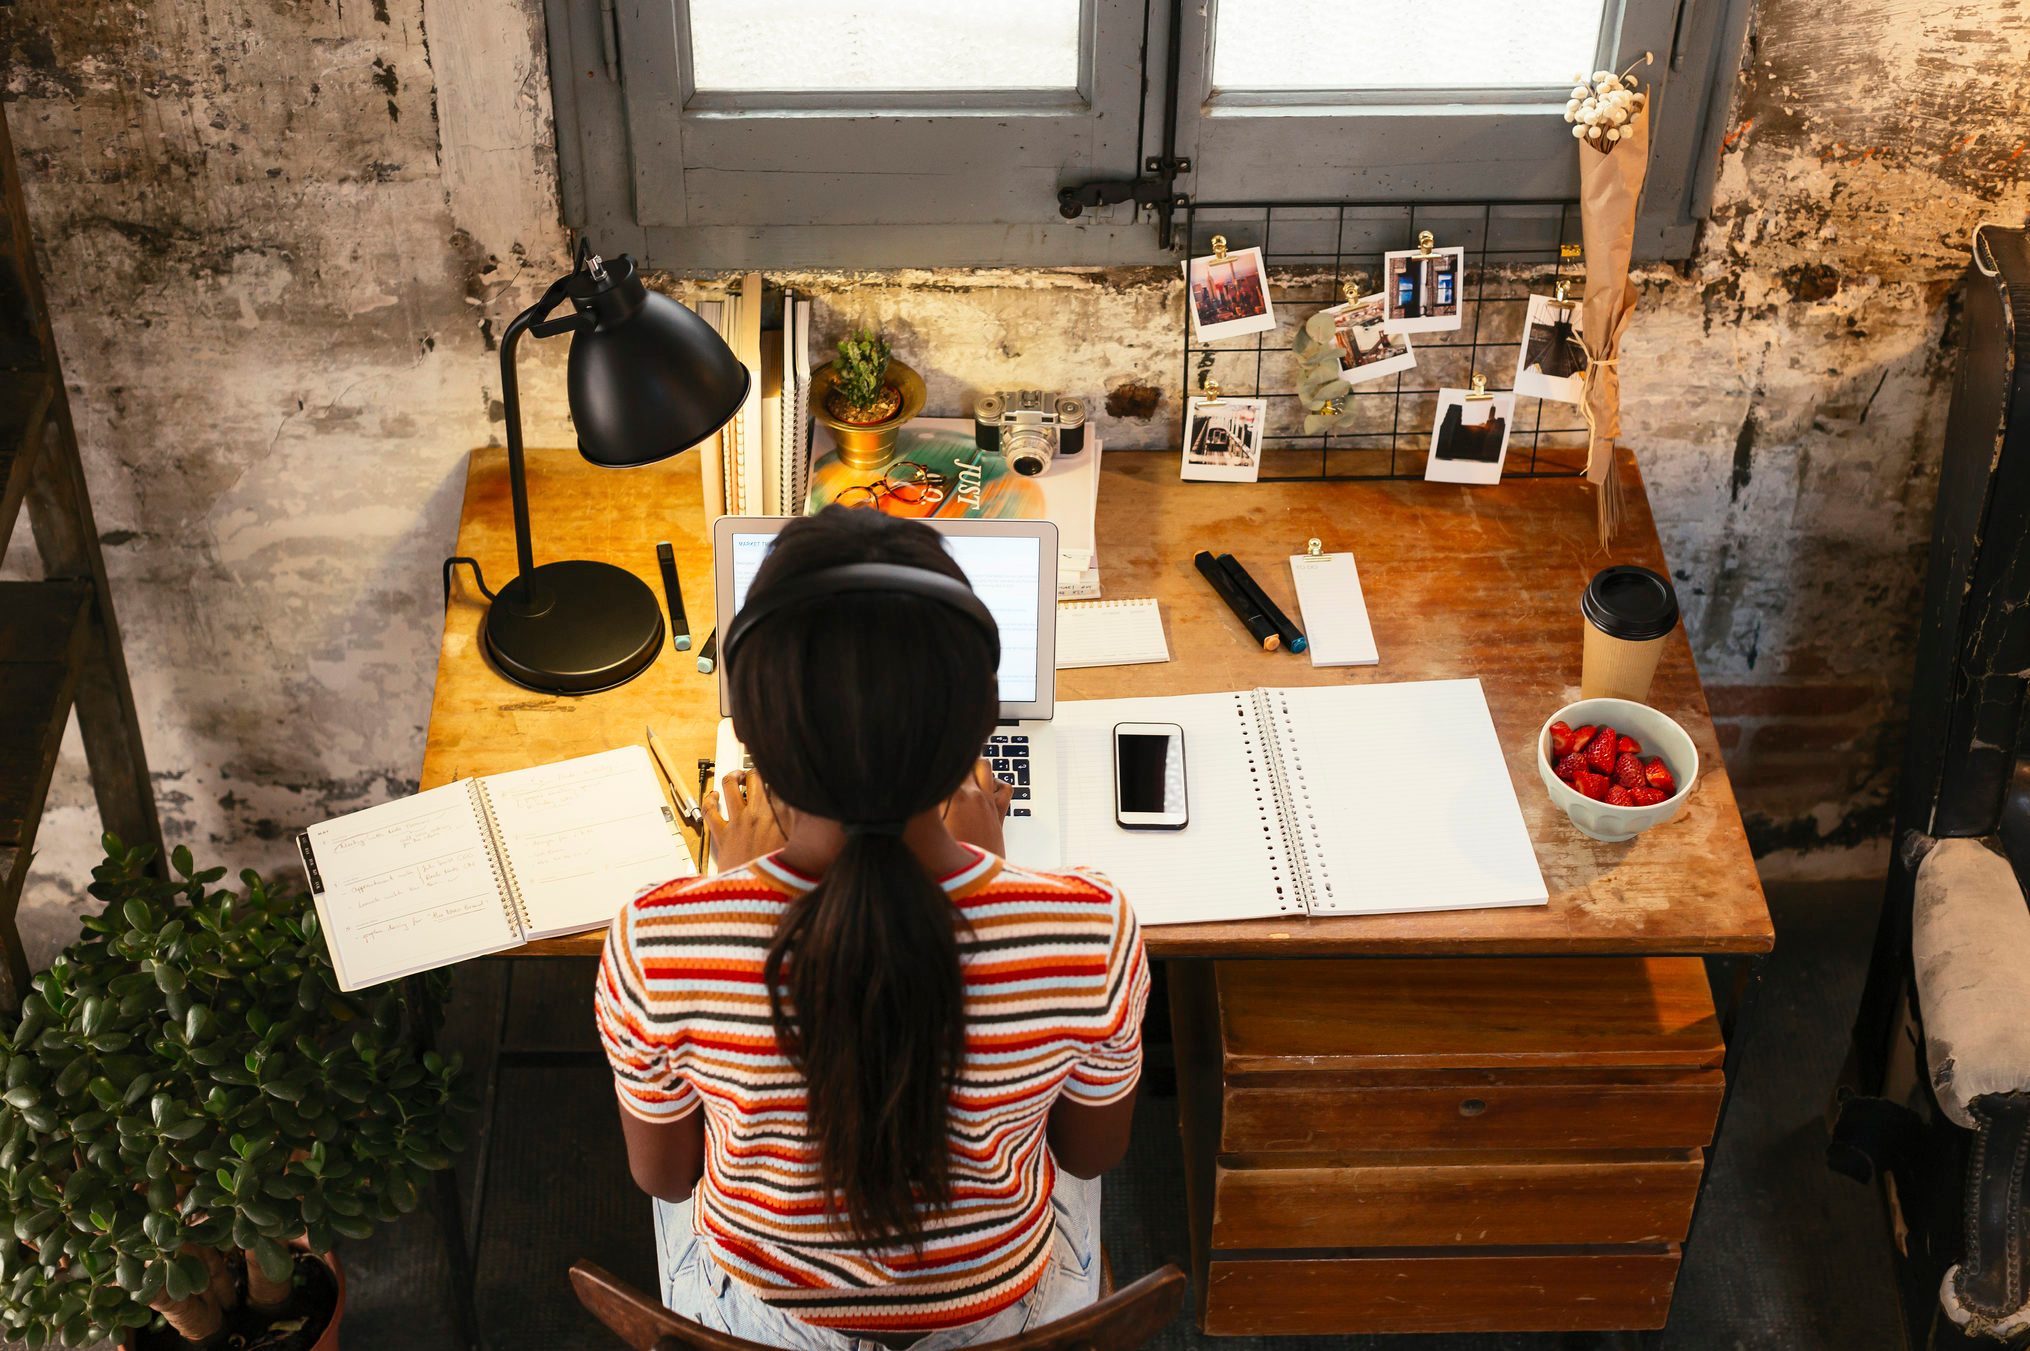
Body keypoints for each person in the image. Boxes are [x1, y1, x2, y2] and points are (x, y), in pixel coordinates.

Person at [596, 508, 1151, 1350]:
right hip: (1006, 1319)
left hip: (763, 1327)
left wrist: (724, 888)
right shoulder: (1092, 927)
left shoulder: (657, 939)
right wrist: (993, 869)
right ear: (976, 736)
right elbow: (1088, 1154)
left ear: (752, 738)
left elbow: (665, 1175)